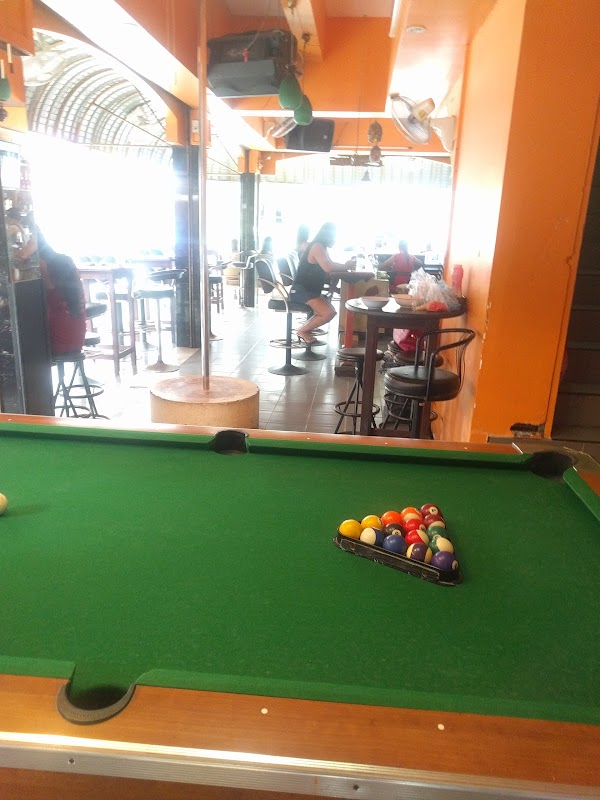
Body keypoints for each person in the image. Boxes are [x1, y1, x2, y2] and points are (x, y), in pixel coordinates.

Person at [16, 231, 86, 355]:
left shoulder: (42, 265)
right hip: (77, 339)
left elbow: (20, 258)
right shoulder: (66, 261)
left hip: (58, 344)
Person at [288, 222, 352, 344]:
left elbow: (330, 264)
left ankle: (304, 329)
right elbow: (328, 267)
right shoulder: (317, 246)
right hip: (302, 291)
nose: (335, 240)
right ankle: (302, 331)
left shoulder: (321, 247)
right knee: (328, 313)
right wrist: (345, 266)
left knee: (331, 311)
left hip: (309, 291)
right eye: (334, 237)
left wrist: (344, 266)